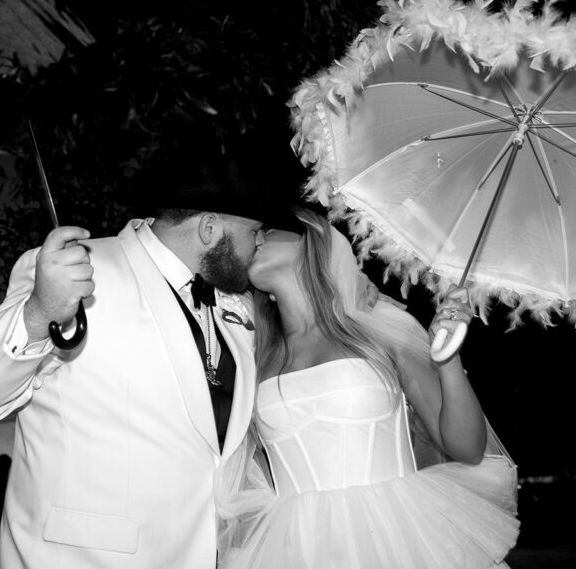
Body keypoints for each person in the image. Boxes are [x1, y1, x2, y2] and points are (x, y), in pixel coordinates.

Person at [0, 152, 289, 568]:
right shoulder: (76, 270)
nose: (261, 243)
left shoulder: (236, 308)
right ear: (210, 228)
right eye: (255, 231)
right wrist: (39, 313)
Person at [216, 208, 520, 568]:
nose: (258, 236)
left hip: (400, 539)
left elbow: (467, 449)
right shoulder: (250, 352)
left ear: (313, 241)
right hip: (296, 549)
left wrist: (447, 359)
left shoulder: (381, 331)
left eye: (268, 229)